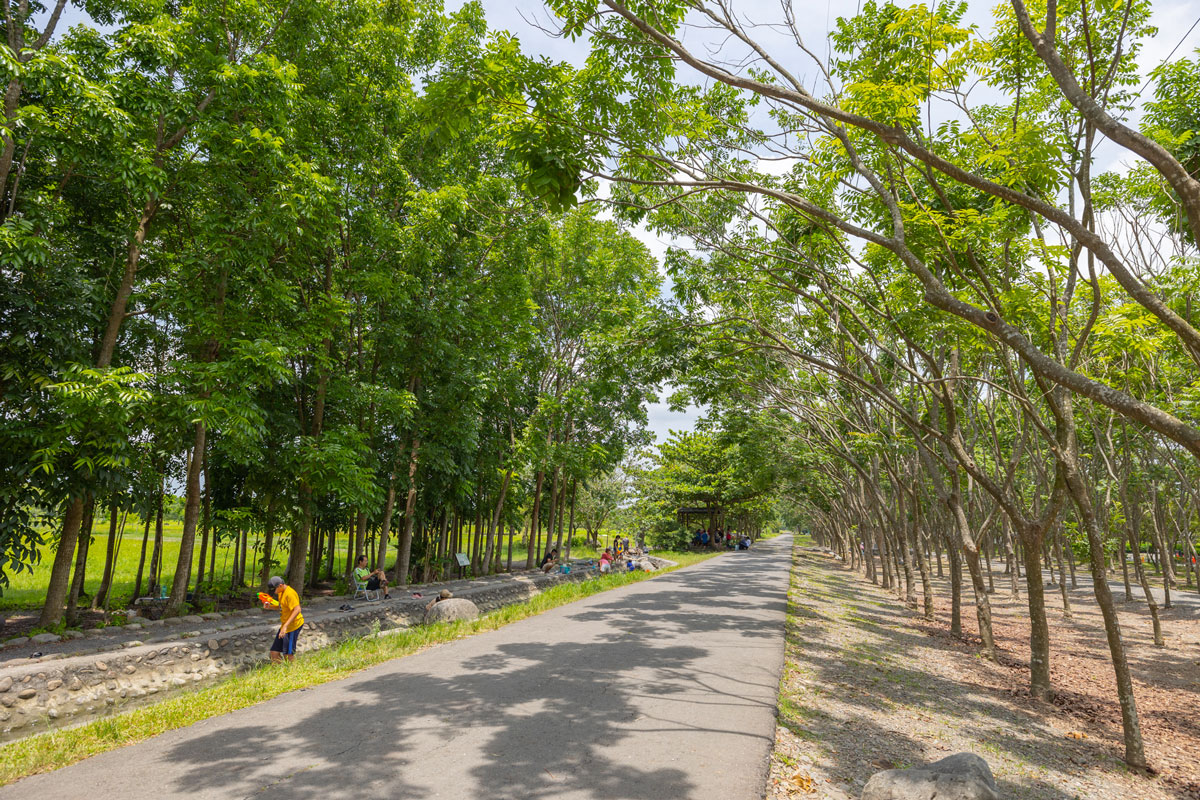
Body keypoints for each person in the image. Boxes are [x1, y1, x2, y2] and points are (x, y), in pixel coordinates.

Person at [263, 576, 304, 663]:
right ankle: (279, 670)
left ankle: (293, 670)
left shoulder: (290, 594)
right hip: (285, 626)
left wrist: (285, 626)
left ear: (280, 585)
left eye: (274, 590)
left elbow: (297, 609)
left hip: (293, 626)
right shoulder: (281, 592)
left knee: (288, 654)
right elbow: (282, 606)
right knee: (274, 652)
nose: (274, 592)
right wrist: (270, 607)